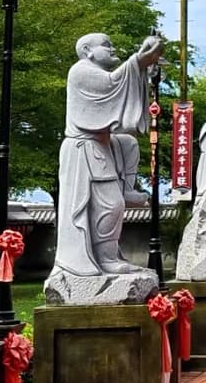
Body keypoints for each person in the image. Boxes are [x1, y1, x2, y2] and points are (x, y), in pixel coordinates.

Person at [54, 32, 162, 276]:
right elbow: (112, 85)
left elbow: (116, 89)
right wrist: (138, 61)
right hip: (84, 149)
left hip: (101, 145)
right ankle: (105, 259)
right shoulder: (81, 71)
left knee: (128, 144)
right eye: (106, 45)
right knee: (111, 205)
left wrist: (141, 66)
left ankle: (108, 253)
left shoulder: (95, 73)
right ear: (87, 51)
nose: (113, 49)